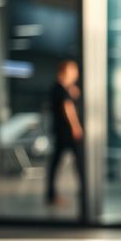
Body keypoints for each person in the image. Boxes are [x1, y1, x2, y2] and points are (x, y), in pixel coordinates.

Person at [46, 60, 84, 206]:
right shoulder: (61, 89)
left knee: (57, 163)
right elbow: (68, 108)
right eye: (73, 70)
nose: (76, 73)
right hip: (67, 133)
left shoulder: (61, 88)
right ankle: (83, 190)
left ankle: (51, 194)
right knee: (79, 162)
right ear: (65, 71)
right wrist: (76, 127)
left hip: (60, 132)